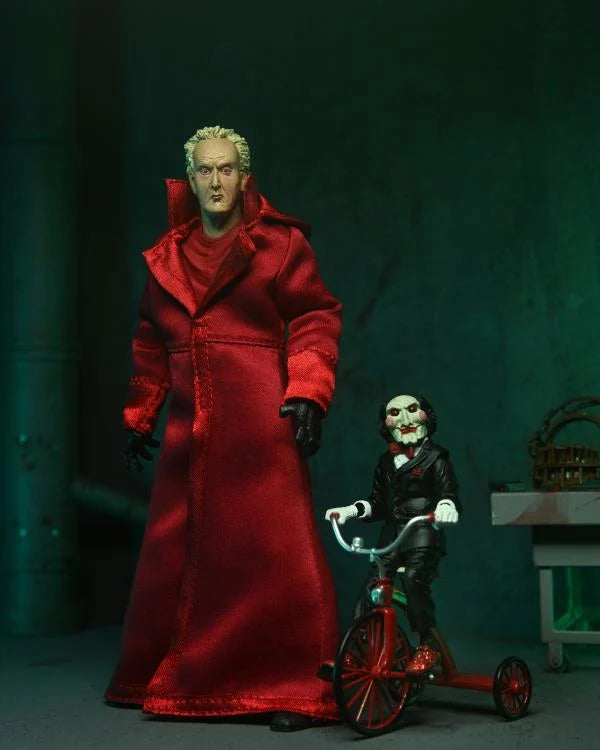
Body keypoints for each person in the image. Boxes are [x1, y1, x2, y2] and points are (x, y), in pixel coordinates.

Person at [105, 126, 342, 731]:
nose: (216, 181)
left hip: (260, 417)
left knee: (273, 549)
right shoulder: (167, 256)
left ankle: (294, 686)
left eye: (227, 169)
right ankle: (167, 675)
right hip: (188, 429)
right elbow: (150, 339)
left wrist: (308, 392)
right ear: (191, 179)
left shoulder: (279, 245)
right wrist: (142, 413)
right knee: (175, 550)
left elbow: (314, 316)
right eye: (205, 170)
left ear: (244, 176)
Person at [325, 393, 460, 674]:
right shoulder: (386, 462)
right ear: (386, 422)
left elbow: (448, 493)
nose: (405, 419)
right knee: (372, 586)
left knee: (413, 579)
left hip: (423, 531)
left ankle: (427, 645)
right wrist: (351, 511)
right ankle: (360, 649)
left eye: (412, 409)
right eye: (395, 413)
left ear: (426, 415)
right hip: (392, 535)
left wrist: (446, 507)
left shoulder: (436, 457)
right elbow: (377, 503)